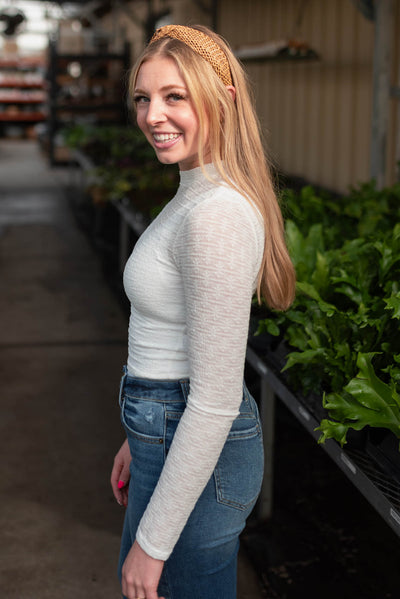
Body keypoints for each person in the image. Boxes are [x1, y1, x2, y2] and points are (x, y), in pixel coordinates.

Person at [110, 24, 296, 599]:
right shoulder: (194, 189)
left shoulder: (215, 215)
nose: (152, 115)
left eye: (174, 97)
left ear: (223, 99)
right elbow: (168, 344)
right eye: (144, 98)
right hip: (167, 433)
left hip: (197, 444)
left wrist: (152, 544)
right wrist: (138, 438)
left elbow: (213, 401)